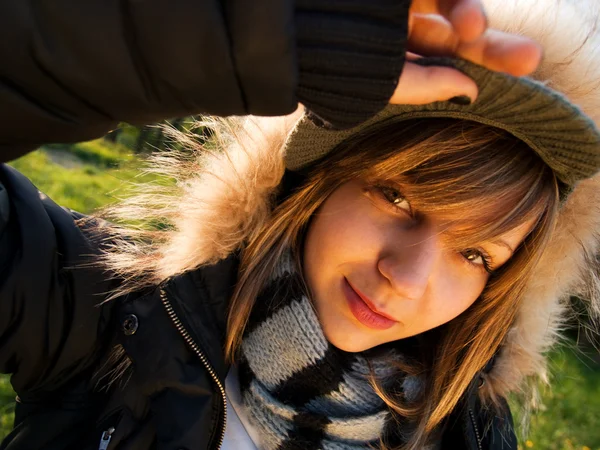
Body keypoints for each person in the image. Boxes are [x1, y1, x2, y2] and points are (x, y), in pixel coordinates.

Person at [0, 1, 599, 450]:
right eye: (397, 197)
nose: (407, 280)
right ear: (319, 176)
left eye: (475, 254)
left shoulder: (472, 437)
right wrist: (242, 40)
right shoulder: (108, 311)